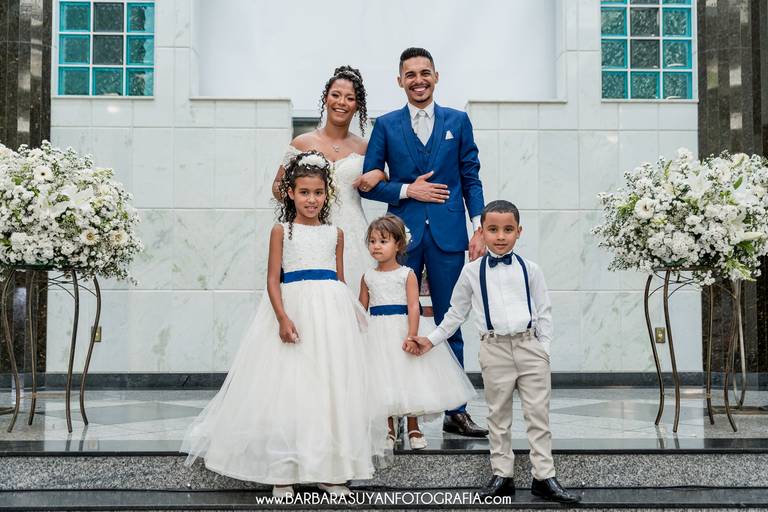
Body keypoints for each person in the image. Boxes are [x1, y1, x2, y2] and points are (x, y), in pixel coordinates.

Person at [182, 151, 387, 499]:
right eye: (304, 192)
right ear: (290, 193)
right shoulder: (282, 231)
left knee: (327, 389)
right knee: (290, 389)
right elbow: (272, 279)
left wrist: (351, 313)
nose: (311, 199)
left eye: (318, 193)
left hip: (330, 314)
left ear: (327, 195)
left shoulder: (336, 233)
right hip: (294, 311)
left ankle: (330, 470)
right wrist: (282, 317)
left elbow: (339, 279)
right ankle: (283, 470)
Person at [409, 200, 581, 503]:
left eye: (508, 230)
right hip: (494, 348)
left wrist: (543, 350)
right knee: (498, 416)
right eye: (493, 229)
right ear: (482, 232)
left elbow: (544, 312)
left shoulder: (531, 270)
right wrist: (431, 340)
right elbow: (455, 313)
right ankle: (502, 475)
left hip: (529, 346)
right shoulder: (471, 272)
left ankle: (544, 476)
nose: (500, 236)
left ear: (519, 231)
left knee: (538, 415)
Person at [360, 47, 488, 437]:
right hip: (401, 238)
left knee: (451, 319)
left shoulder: (458, 121)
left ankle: (456, 410)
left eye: (425, 73)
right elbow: (369, 183)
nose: (418, 80)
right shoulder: (385, 125)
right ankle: (398, 409)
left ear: (436, 76)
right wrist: (407, 190)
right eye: (411, 74)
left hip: (449, 237)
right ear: (400, 80)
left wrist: (479, 228)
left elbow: (471, 177)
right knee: (397, 323)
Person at [360, 214, 476, 450]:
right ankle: (390, 428)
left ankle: (413, 426)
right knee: (384, 379)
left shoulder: (407, 274)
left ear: (398, 244)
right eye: (372, 241)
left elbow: (414, 306)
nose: (376, 246)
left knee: (410, 378)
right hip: (378, 333)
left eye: (383, 241)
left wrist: (412, 335)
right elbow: (362, 307)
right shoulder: (368, 277)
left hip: (403, 330)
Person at [272, 66, 385, 295]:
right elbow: (277, 186)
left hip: (353, 232)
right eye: (336, 95)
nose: (341, 102)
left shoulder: (365, 148)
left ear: (357, 105)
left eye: (350, 98)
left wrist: (380, 174)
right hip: (310, 231)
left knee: (354, 295)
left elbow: (380, 179)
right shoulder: (302, 142)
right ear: (326, 98)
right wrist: (305, 201)